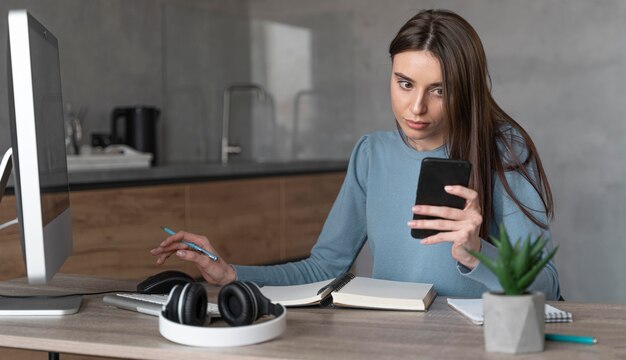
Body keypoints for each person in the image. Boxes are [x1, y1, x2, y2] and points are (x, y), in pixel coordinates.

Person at [150, 9, 560, 300]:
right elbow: (323, 270)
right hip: (386, 341)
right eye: (404, 84)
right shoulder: (371, 154)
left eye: (440, 90)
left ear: (465, 91)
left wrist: (477, 253)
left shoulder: (503, 150)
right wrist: (230, 273)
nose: (416, 108)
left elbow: (548, 286)